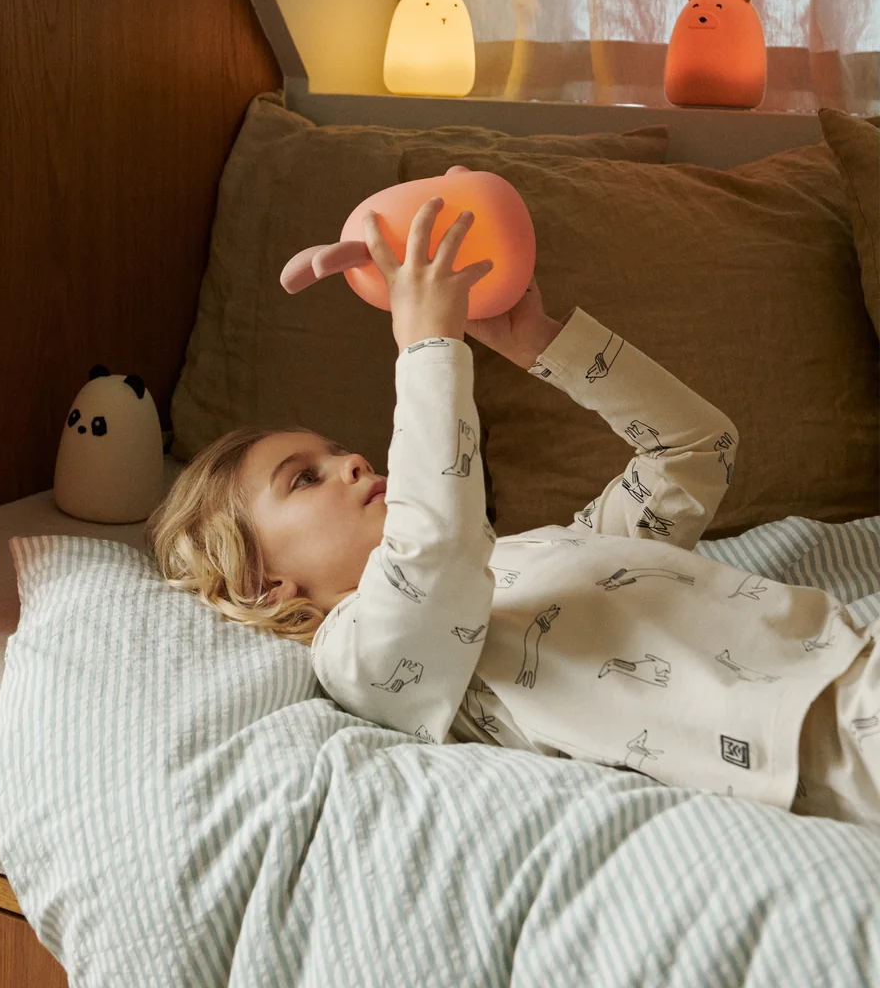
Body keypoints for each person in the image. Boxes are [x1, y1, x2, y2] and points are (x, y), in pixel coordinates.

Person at [146, 197, 880, 829]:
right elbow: (433, 551)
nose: (353, 462)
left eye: (337, 451)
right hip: (819, 741)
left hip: (855, 649)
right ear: (262, 583)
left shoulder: (542, 552)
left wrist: (542, 343)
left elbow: (695, 449)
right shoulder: (360, 656)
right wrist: (427, 346)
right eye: (305, 479)